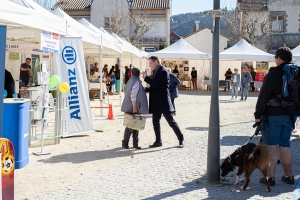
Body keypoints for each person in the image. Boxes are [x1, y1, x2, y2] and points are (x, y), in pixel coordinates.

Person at [255, 47, 296, 186]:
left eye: (275, 58)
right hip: (290, 115)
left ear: (279, 58)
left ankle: (270, 178)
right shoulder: (295, 73)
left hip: (273, 115)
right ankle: (288, 176)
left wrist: (258, 115)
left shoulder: (273, 74)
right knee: (285, 145)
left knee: (271, 147)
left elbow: (263, 96)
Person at [142, 56, 184, 148]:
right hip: (157, 102)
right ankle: (158, 141)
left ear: (156, 61)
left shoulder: (163, 71)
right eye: (149, 64)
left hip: (163, 101)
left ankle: (181, 139)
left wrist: (146, 77)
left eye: (151, 63)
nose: (150, 66)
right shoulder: (157, 70)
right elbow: (157, 86)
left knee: (171, 121)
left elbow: (156, 84)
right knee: (155, 123)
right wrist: (147, 88)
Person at [121, 68, 149, 150]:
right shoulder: (136, 82)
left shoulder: (130, 80)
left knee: (135, 124)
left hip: (130, 105)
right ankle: (126, 143)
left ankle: (134, 144)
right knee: (131, 125)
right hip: (133, 106)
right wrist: (134, 108)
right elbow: (133, 96)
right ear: (139, 74)